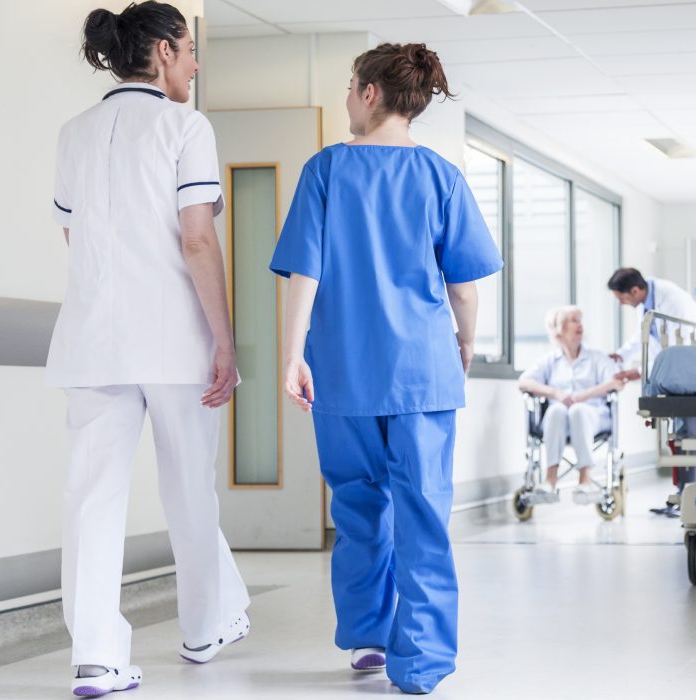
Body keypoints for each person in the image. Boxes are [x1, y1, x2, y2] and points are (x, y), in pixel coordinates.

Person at [269, 43, 502, 695]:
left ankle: (369, 637)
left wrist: (293, 356)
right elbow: (464, 285)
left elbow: (305, 271)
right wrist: (463, 342)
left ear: (371, 93)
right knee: (423, 510)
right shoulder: (440, 176)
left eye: (350, 86)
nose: (346, 97)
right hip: (422, 372)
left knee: (359, 503)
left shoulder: (325, 171)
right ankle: (421, 661)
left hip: (343, 368)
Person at [49, 3, 250, 696]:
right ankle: (204, 626)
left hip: (92, 340)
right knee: (189, 485)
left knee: (91, 498)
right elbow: (197, 238)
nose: (195, 64)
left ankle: (97, 659)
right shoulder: (184, 126)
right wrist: (224, 339)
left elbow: (76, 240)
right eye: (190, 49)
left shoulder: (73, 133)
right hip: (172, 339)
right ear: (163, 52)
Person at [607, 268, 696, 516]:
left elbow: (672, 347)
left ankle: (690, 497)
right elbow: (644, 337)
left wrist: (638, 373)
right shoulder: (647, 301)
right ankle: (681, 494)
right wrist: (622, 355)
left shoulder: (670, 301)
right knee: (679, 437)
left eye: (622, 298)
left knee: (689, 437)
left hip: (693, 371)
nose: (622, 304)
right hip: (678, 374)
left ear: (634, 291)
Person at [517, 307, 628, 504]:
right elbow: (524, 382)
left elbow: (617, 381)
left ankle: (585, 479)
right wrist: (556, 393)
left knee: (577, 410)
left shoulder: (596, 358)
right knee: (557, 409)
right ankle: (550, 479)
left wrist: (583, 396)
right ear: (558, 329)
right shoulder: (550, 361)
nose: (580, 324)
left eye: (580, 320)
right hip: (556, 422)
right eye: (572, 320)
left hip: (592, 416)